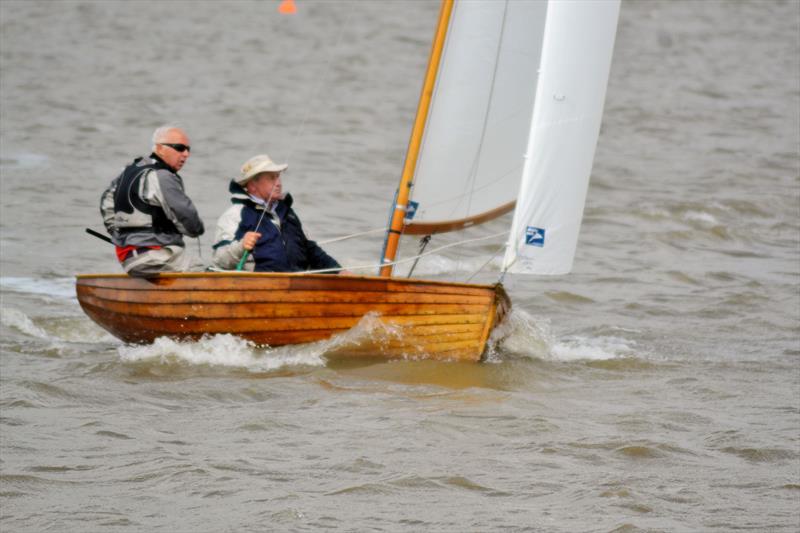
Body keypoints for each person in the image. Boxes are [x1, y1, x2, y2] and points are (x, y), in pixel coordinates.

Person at [212, 154, 346, 274]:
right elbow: (219, 260)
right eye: (271, 178)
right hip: (257, 288)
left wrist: (339, 272)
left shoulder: (288, 213)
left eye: (278, 177)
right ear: (252, 185)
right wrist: (241, 246)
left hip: (297, 287)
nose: (278, 183)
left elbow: (310, 250)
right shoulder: (235, 214)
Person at [100, 126, 205, 277]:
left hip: (127, 257)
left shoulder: (127, 171)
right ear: (160, 148)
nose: (186, 154)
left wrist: (118, 234)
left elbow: (106, 202)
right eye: (180, 148)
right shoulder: (163, 176)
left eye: (188, 149)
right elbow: (188, 219)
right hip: (155, 257)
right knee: (197, 267)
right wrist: (197, 229)